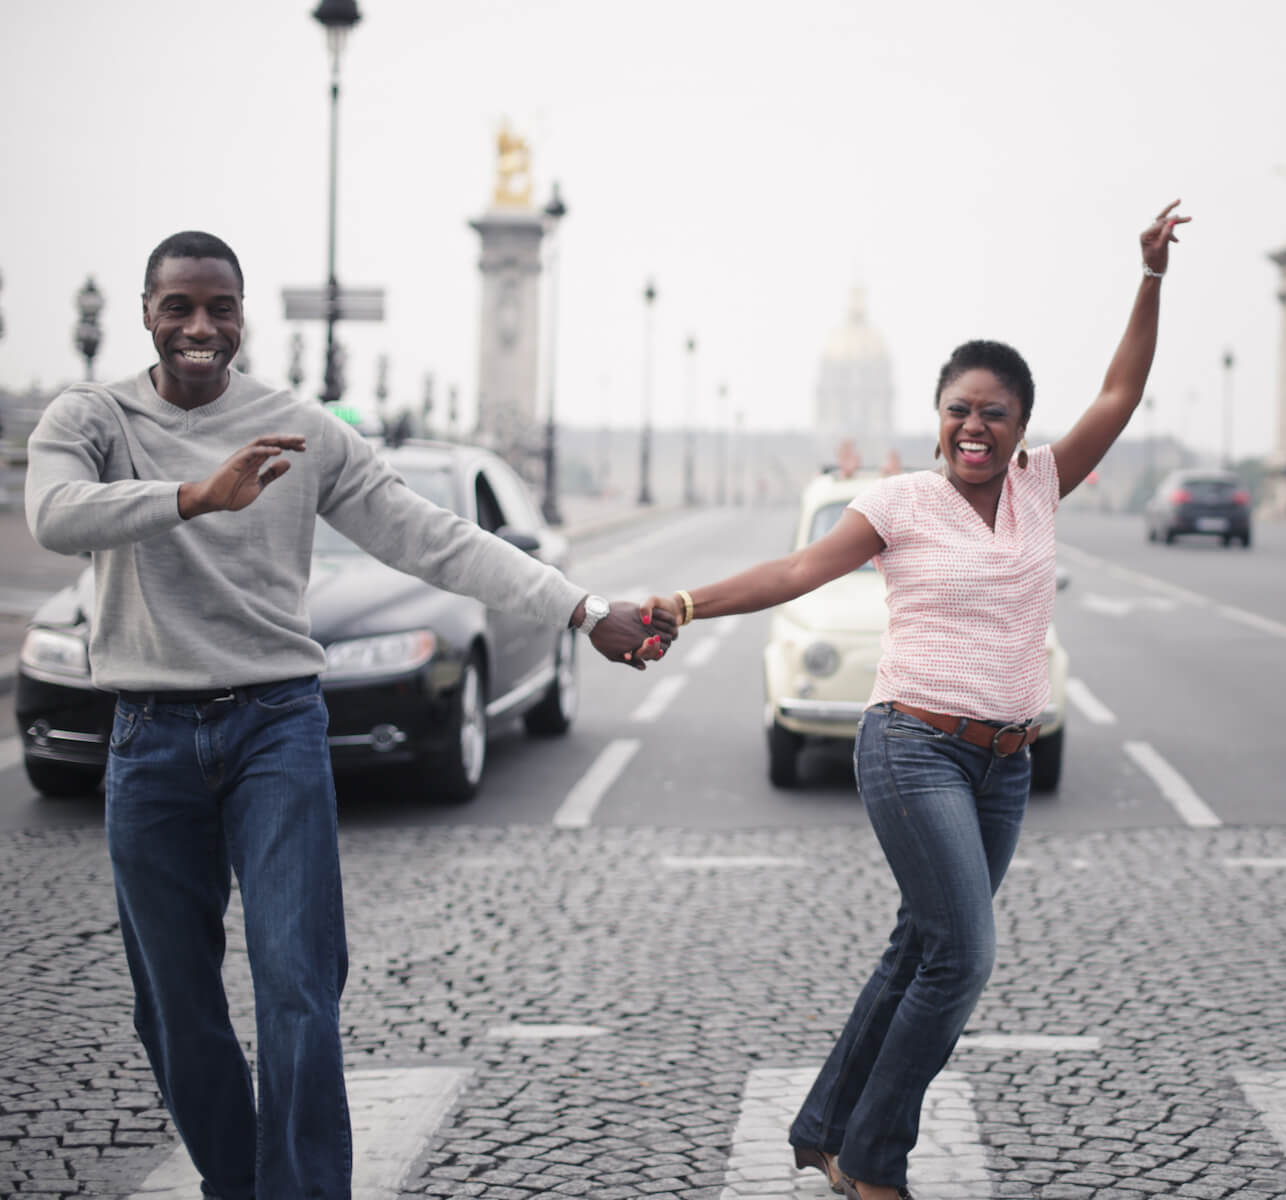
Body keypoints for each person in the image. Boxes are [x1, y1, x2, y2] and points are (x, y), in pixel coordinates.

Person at [24, 231, 676, 1200]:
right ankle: (235, 1178)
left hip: (275, 727)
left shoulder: (298, 429)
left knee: (297, 988)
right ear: (147, 313)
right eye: (179, 307)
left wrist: (580, 610)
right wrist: (197, 495)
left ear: (244, 316)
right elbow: (53, 513)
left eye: (219, 307)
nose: (200, 327)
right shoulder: (93, 416)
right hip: (150, 735)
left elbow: (434, 537)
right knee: (171, 1004)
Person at [641, 201, 1189, 1200]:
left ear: (1021, 426)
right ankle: (875, 1162)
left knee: (921, 945)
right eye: (958, 409)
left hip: (1006, 764)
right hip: (913, 747)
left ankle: (824, 1127)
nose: (974, 427)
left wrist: (1149, 276)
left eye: (995, 413)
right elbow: (799, 570)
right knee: (963, 959)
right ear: (934, 415)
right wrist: (681, 603)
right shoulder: (898, 502)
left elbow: (1122, 388)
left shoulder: (1041, 487)